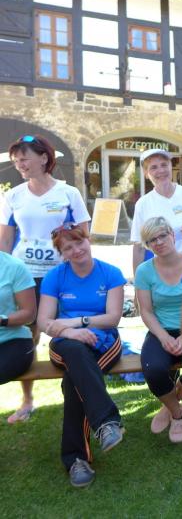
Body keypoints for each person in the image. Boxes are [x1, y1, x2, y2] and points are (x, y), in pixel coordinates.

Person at [1, 135, 91, 424]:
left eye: (24, 158)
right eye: (16, 161)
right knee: (28, 334)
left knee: (68, 332)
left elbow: (84, 235)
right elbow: (5, 240)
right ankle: (27, 400)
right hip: (24, 276)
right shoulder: (13, 196)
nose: (20, 164)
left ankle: (79, 392)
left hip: (61, 274)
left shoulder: (68, 193)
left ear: (43, 158)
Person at [38, 223, 126, 488]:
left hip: (104, 342)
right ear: (62, 254)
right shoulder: (55, 276)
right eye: (68, 247)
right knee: (75, 355)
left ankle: (76, 460)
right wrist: (71, 333)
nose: (76, 250)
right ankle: (107, 422)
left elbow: (112, 318)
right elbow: (44, 321)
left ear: (89, 241)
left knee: (73, 381)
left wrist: (77, 322)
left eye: (79, 242)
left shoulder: (110, 273)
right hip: (65, 344)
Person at [135, 216, 182, 443]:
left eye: (162, 235)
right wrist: (163, 337)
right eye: (152, 240)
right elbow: (146, 311)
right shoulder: (144, 271)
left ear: (172, 234)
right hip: (160, 331)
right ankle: (178, 413)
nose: (159, 242)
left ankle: (168, 407)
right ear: (147, 245)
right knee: (153, 369)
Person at [130, 148, 182, 274]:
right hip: (163, 273)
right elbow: (139, 247)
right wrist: (138, 281)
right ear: (146, 173)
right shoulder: (143, 204)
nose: (161, 170)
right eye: (153, 167)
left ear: (171, 166)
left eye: (164, 165)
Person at [0, 252, 37, 386]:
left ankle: (27, 396)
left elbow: (29, 314)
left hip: (12, 341)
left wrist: (2, 320)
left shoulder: (14, 266)